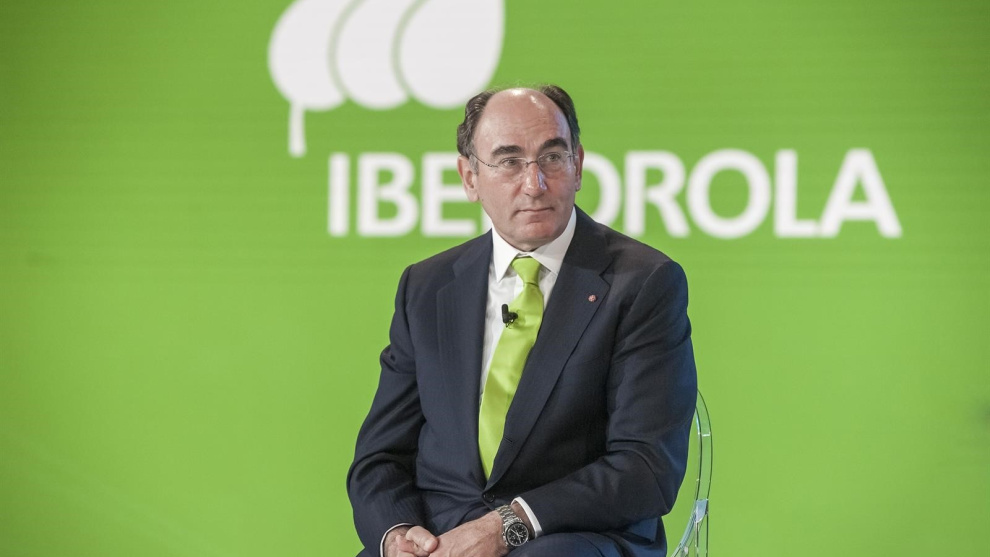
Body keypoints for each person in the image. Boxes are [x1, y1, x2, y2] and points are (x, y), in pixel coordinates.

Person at [347, 84, 697, 557]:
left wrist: (507, 525)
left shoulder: (642, 282)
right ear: (470, 177)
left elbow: (647, 467)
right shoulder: (427, 287)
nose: (535, 184)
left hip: (568, 537)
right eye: (509, 161)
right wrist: (398, 535)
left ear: (578, 165)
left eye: (552, 158)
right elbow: (380, 458)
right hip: (440, 537)